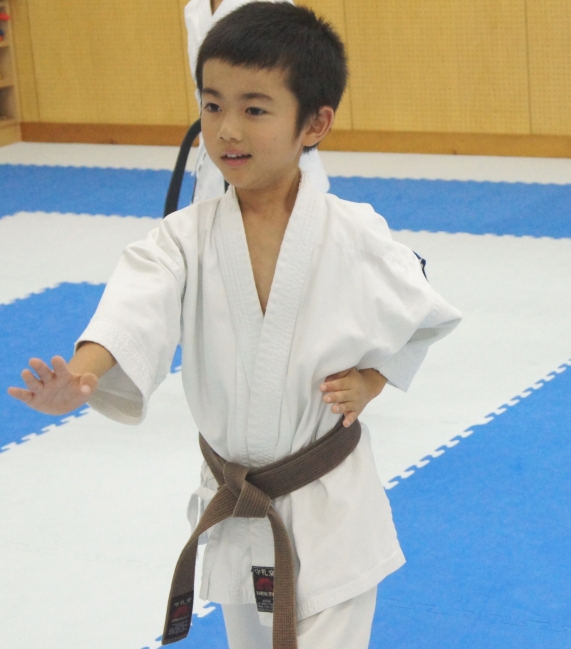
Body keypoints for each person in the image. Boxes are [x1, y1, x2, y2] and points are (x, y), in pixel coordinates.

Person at [7, 4, 461, 648]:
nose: (227, 130)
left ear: (315, 123)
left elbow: (423, 314)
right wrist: (80, 377)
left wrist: (373, 379)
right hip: (234, 509)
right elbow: (134, 305)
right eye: (212, 105)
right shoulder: (184, 238)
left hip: (330, 507)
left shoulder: (353, 232)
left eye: (255, 109)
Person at [185, 0, 331, 202]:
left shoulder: (271, 7)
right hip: (219, 168)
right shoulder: (196, 7)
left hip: (277, 167)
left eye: (254, 110)